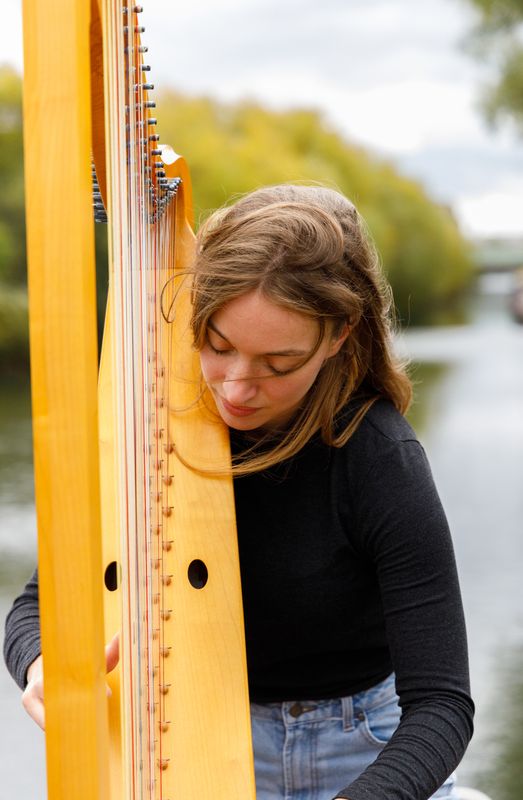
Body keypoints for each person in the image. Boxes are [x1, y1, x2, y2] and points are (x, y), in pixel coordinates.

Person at [4, 184, 474, 800]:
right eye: (218, 346)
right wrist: (45, 665)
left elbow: (442, 705)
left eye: (278, 364)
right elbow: (35, 607)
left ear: (339, 336)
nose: (237, 387)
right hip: (195, 742)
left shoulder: (378, 457)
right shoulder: (149, 434)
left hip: (367, 750)